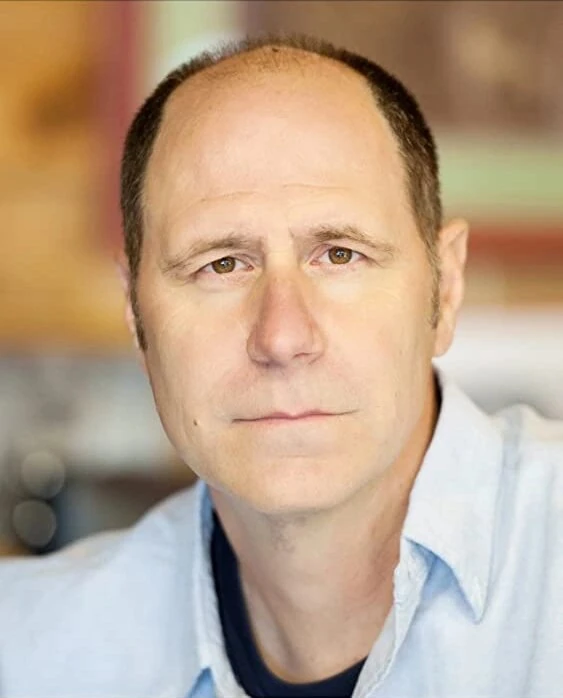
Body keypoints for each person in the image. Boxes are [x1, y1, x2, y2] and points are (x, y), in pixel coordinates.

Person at [0, 34, 562, 698]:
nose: (283, 336)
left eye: (340, 254)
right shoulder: (28, 652)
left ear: (444, 290)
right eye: (221, 264)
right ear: (135, 312)